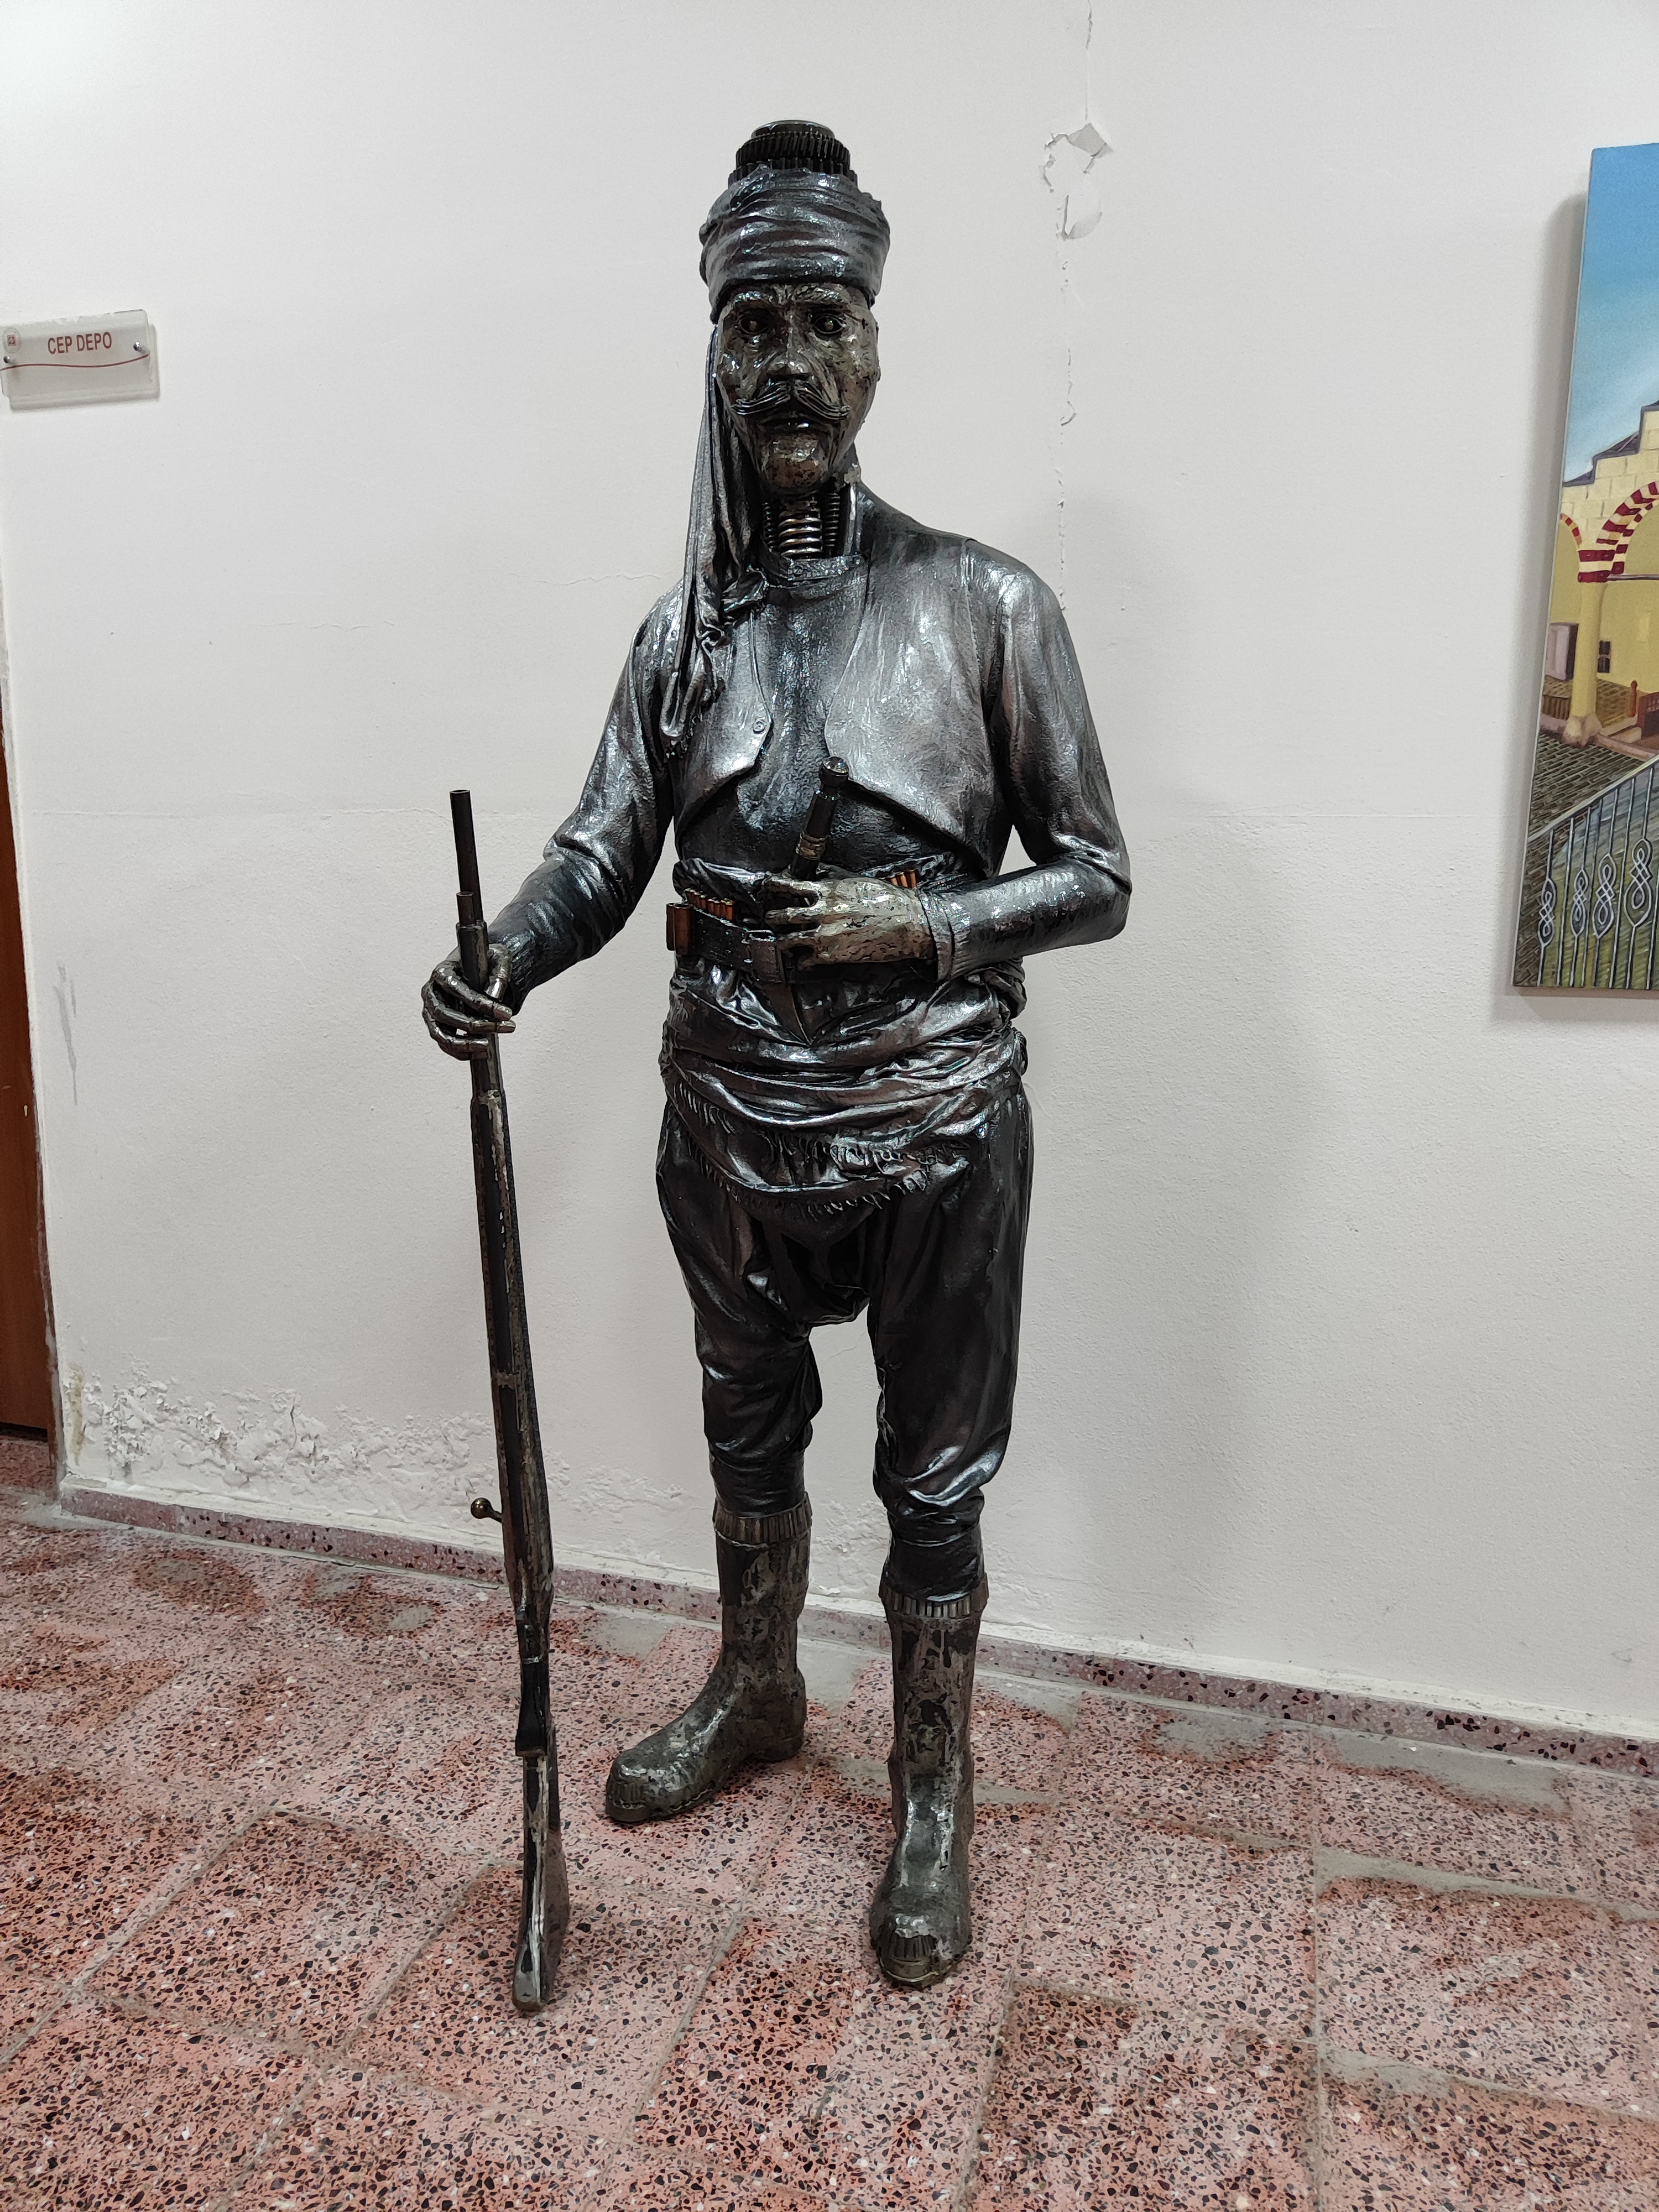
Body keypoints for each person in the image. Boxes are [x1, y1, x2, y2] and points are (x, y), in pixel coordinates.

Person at [423, 119, 1130, 1988]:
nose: (795, 364)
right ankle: (757, 1682)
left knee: (935, 1474)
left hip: (935, 1118)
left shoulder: (989, 609)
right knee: (747, 1422)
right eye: (759, 330)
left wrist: (929, 927)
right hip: (730, 1113)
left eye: (827, 322)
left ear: (877, 346)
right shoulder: (683, 638)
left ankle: (931, 1784)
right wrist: (502, 956)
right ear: (719, 358)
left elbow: (1097, 877)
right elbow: (601, 851)